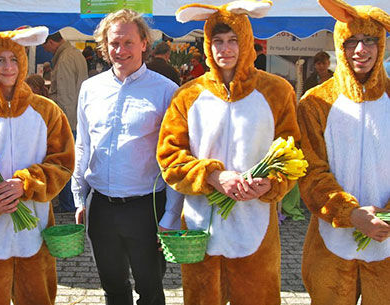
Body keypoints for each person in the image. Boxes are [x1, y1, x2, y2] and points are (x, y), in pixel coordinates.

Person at [157, 2, 299, 304]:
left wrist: (272, 183)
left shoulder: (277, 91)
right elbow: (169, 157)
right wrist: (213, 176)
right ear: (208, 45)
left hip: (255, 224)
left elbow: (293, 151)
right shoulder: (188, 95)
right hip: (199, 228)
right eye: (217, 41)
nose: (225, 48)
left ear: (246, 41)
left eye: (233, 40)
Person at [0, 24, 74, 305]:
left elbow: (63, 163)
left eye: (13, 59)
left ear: (22, 61)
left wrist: (27, 184)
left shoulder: (47, 111)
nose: (7, 67)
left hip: (35, 229)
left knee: (37, 298)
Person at [72, 9, 182, 305]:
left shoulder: (166, 91)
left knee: (150, 290)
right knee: (113, 289)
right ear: (104, 47)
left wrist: (171, 216)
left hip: (146, 208)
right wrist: (79, 197)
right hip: (102, 208)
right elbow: (82, 145)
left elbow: (175, 158)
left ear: (144, 43)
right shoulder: (90, 89)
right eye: (113, 44)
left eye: (128, 43)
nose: (120, 51)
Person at [297, 1, 390, 304]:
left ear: (382, 44)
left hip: (386, 244)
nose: (361, 50)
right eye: (352, 41)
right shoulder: (315, 103)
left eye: (369, 40)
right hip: (331, 244)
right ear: (340, 45)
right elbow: (311, 172)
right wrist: (350, 214)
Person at [42, 31, 88, 213]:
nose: (44, 49)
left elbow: (66, 97)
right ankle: (72, 203)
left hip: (70, 121)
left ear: (51, 42)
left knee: (67, 163)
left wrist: (62, 126)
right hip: (77, 118)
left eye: (44, 45)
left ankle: (68, 205)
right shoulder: (75, 54)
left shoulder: (65, 59)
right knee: (75, 162)